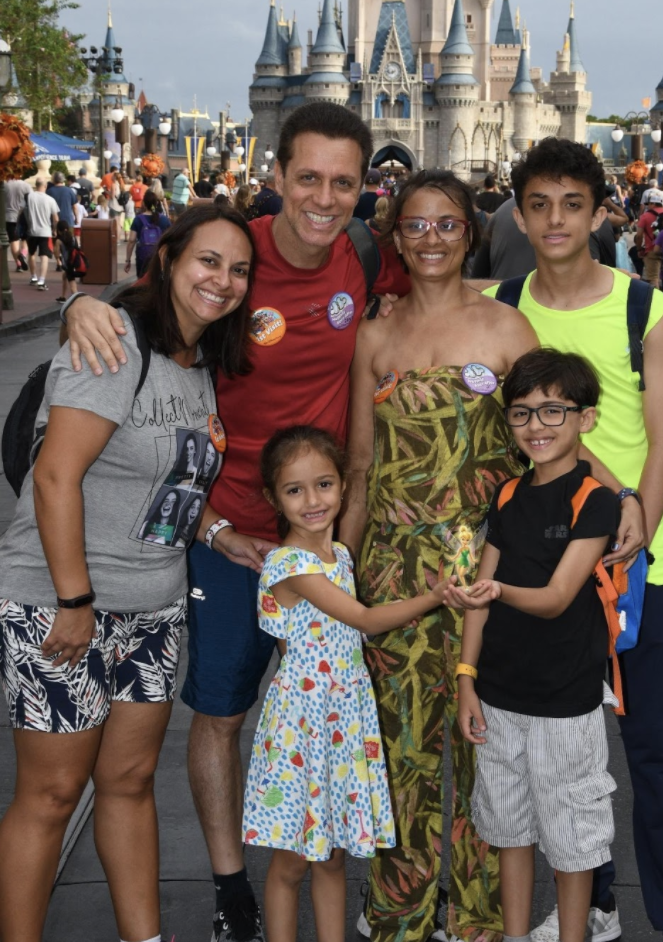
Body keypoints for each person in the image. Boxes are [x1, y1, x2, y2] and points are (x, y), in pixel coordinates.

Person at [63, 101, 410, 942]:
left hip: (322, 539)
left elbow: (451, 297)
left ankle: (333, 864)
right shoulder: (240, 253)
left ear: (364, 188)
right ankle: (231, 887)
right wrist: (82, 297)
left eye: (343, 182)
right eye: (308, 178)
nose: (324, 198)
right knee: (221, 714)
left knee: (327, 712)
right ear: (278, 175)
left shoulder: (368, 256)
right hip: (225, 534)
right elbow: (153, 301)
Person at [0, 202, 259, 942]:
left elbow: (166, 480)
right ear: (170, 260)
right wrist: (75, 601)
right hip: (64, 606)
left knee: (129, 783)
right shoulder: (115, 344)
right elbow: (55, 479)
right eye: (208, 261)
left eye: (239, 269)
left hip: (152, 608)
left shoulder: (199, 364)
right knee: (50, 796)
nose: (224, 281)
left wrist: (218, 532)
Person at [486, 137, 663, 942]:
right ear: (519, 212)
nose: (554, 220)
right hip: (548, 569)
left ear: (599, 212)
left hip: (639, 562)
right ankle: (599, 902)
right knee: (565, 757)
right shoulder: (503, 305)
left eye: (572, 204)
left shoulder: (641, 305)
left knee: (658, 750)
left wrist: (637, 526)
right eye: (539, 205)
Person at [340, 170, 536, 942]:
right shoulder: (376, 335)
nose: (431, 239)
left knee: (487, 746)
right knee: (402, 752)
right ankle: (400, 910)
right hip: (392, 570)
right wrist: (336, 580)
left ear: (470, 233)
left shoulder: (507, 333)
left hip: (485, 569)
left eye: (447, 225)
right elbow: (359, 468)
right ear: (393, 235)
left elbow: (543, 447)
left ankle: (483, 915)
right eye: (415, 225)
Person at [243, 425, 453, 942]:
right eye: (295, 490)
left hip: (341, 721)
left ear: (341, 486)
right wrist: (437, 595)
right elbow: (364, 620)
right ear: (274, 497)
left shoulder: (340, 557)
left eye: (324, 484)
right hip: (303, 729)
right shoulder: (288, 565)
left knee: (333, 856)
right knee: (293, 861)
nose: (313, 500)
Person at [448, 348, 620, 942]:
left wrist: (495, 589)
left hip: (564, 704)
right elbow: (477, 596)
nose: (537, 427)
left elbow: (556, 596)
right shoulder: (506, 495)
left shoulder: (594, 499)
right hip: (498, 697)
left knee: (573, 843)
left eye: (553, 411)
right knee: (509, 832)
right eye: (522, 414)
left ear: (585, 419)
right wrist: (466, 679)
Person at [125, 189, 171, 278]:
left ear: (144, 204)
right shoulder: (164, 220)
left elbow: (131, 240)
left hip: (142, 256)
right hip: (159, 256)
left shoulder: (138, 219)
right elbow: (171, 239)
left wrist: (128, 260)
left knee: (142, 279)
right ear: (157, 203)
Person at [25, 176, 59, 291]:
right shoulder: (50, 200)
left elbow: (22, 210)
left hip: (32, 230)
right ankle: (42, 280)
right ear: (45, 186)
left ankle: (33, 277)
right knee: (44, 256)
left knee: (31, 254)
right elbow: (55, 218)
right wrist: (54, 229)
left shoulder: (29, 196)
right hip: (45, 231)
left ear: (36, 185)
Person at [633, 188, 663, 287]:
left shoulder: (645, 216)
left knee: (653, 278)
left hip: (651, 249)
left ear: (652, 204)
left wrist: (639, 249)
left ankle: (657, 300)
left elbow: (639, 235)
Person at [2, 175, 30, 271]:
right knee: (25, 239)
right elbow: (31, 200)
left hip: (9, 217)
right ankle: (23, 254)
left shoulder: (4, 185)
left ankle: (18, 264)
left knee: (14, 241)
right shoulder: (26, 185)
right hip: (23, 216)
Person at [55, 220, 83, 305]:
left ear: (58, 231)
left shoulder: (59, 241)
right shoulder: (73, 237)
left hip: (69, 264)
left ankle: (77, 301)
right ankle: (63, 296)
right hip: (76, 262)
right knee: (64, 276)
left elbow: (56, 253)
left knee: (72, 284)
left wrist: (58, 259)